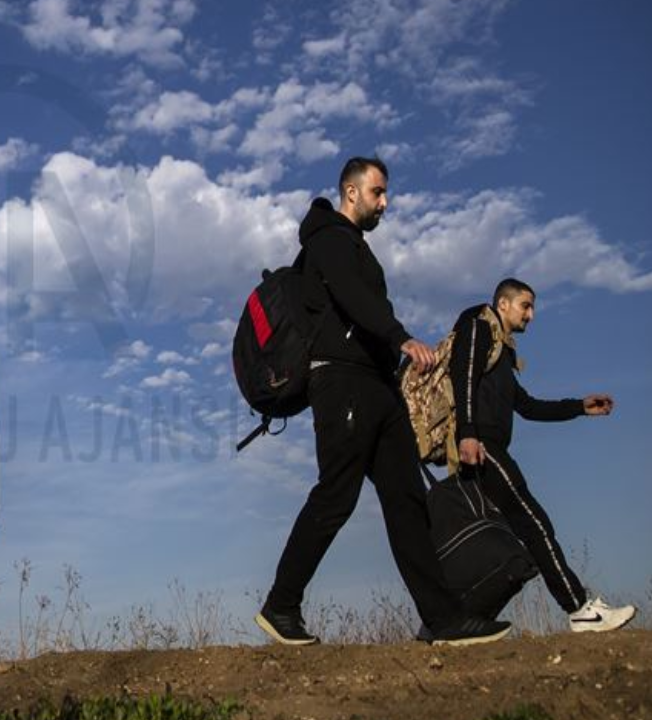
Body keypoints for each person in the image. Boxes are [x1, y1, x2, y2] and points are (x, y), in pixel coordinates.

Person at [255, 157, 512, 647]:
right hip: (341, 384)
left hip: (377, 388)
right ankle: (281, 604)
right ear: (351, 193)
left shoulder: (357, 249)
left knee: (407, 499)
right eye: (378, 192)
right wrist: (400, 337)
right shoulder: (328, 240)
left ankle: (444, 618)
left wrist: (396, 366)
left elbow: (364, 304)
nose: (385, 202)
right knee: (337, 495)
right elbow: (353, 298)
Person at [448, 278, 636, 632]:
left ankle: (456, 619)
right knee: (534, 522)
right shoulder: (477, 328)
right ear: (503, 305)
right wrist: (468, 434)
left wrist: (580, 407)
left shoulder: (501, 351)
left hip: (489, 447)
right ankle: (580, 609)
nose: (531, 315)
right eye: (525, 305)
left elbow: (528, 406)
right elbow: (463, 377)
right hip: (481, 447)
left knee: (510, 540)